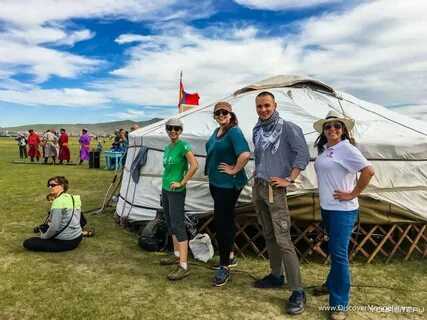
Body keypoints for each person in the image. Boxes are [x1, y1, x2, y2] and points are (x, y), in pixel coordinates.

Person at [312, 111, 375, 320]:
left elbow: (369, 171)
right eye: (328, 126)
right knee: (334, 249)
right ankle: (331, 284)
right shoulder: (327, 150)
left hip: (343, 210)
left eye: (337, 126)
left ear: (343, 130)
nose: (332, 130)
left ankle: (339, 304)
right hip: (328, 208)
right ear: (324, 130)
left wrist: (353, 194)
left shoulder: (346, 148)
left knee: (339, 255)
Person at [252, 91, 310, 315]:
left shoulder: (288, 127)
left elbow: (302, 154)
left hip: (275, 190)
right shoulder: (257, 128)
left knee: (283, 240)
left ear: (275, 105)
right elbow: (260, 155)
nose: (263, 110)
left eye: (267, 105)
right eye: (259, 107)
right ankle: (276, 276)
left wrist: (290, 179)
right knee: (268, 235)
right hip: (259, 186)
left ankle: (297, 290)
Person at [205, 101, 250, 286]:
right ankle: (229, 256)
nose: (221, 115)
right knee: (225, 220)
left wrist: (234, 169)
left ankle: (224, 267)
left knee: (222, 222)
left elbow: (245, 154)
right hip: (216, 183)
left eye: (225, 112)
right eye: (218, 113)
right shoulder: (217, 132)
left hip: (228, 184)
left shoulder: (234, 131)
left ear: (231, 115)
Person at [159, 118, 198, 281]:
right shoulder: (167, 147)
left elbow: (194, 165)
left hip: (177, 191)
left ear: (180, 130)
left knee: (178, 224)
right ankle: (176, 255)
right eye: (170, 128)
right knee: (170, 223)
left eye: (176, 129)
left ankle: (183, 265)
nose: (173, 131)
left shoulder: (184, 146)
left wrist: (182, 182)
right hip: (166, 189)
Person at [23, 176, 83, 252]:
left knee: (28, 242)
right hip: (78, 236)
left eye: (53, 185)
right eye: (49, 185)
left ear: (62, 186)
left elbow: (54, 227)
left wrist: (44, 237)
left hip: (67, 241)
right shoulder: (73, 198)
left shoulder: (58, 202)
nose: (50, 187)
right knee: (45, 228)